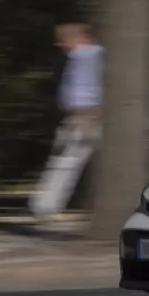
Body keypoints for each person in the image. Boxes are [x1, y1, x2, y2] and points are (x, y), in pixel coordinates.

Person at [29, 23, 104, 221]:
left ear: (79, 38)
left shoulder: (84, 56)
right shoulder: (85, 56)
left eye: (63, 40)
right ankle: (45, 205)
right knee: (66, 162)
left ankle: (45, 206)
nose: (60, 45)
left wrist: (82, 114)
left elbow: (80, 91)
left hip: (86, 117)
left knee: (65, 163)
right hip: (86, 116)